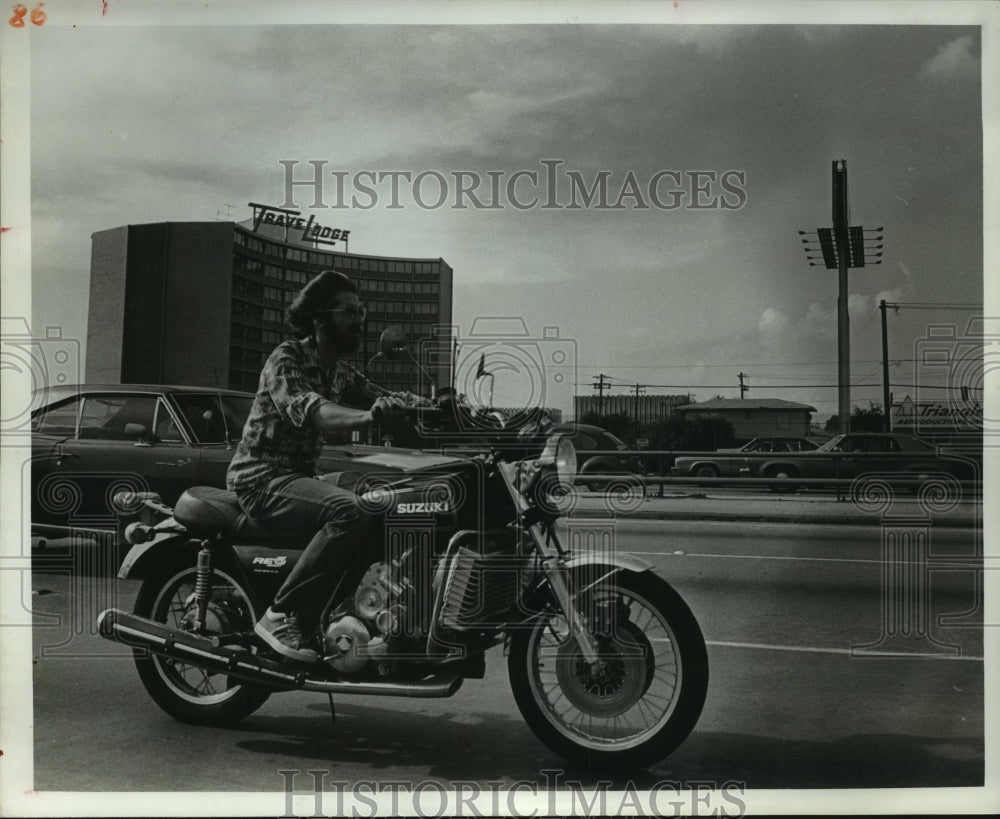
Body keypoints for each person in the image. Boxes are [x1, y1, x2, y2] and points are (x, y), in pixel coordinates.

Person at [226, 270, 420, 663]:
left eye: (361, 311)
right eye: (349, 312)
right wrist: (371, 416)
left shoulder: (341, 371)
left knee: (381, 496)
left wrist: (433, 405)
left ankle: (356, 609)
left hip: (299, 478)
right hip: (260, 479)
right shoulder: (286, 359)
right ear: (319, 318)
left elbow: (383, 396)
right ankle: (281, 613)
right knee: (345, 509)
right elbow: (318, 413)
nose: (359, 320)